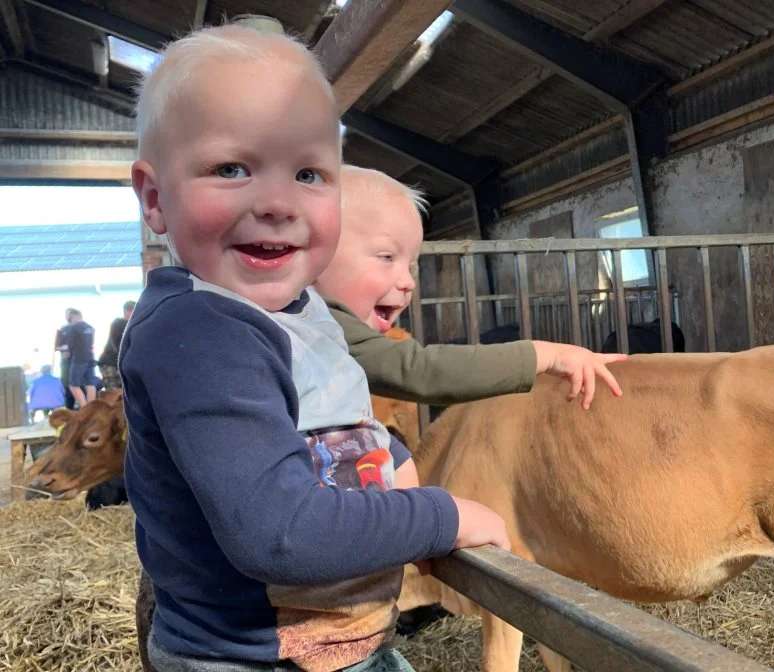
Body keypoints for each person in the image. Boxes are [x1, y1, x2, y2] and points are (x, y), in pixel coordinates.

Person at [121, 24, 509, 672]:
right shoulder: (200, 334)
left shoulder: (301, 309)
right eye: (231, 168)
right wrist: (438, 516)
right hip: (248, 660)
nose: (276, 201)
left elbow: (334, 416)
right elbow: (280, 533)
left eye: (307, 172)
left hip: (340, 644)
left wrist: (392, 456)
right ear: (156, 198)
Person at [312, 165, 626, 410]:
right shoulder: (315, 323)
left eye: (411, 265)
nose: (408, 281)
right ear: (313, 250)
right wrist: (545, 355)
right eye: (386, 257)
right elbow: (418, 370)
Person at [98, 300, 136, 390]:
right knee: (113, 394)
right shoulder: (118, 324)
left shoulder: (130, 324)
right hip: (110, 363)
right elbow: (118, 346)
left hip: (119, 364)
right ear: (128, 311)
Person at [63, 308, 97, 406]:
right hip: (90, 357)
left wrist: (66, 352)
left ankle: (84, 408)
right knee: (90, 383)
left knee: (73, 385)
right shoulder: (90, 327)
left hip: (78, 358)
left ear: (73, 316)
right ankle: (91, 408)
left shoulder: (73, 328)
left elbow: (70, 345)